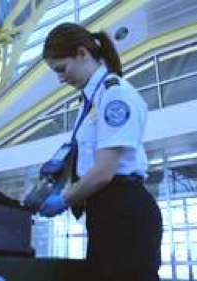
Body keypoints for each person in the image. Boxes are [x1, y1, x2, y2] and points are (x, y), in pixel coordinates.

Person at [38, 22, 163, 281]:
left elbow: (104, 171)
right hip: (105, 209)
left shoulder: (114, 95)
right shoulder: (91, 101)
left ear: (83, 53)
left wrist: (65, 199)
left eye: (61, 69)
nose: (60, 78)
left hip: (123, 209)